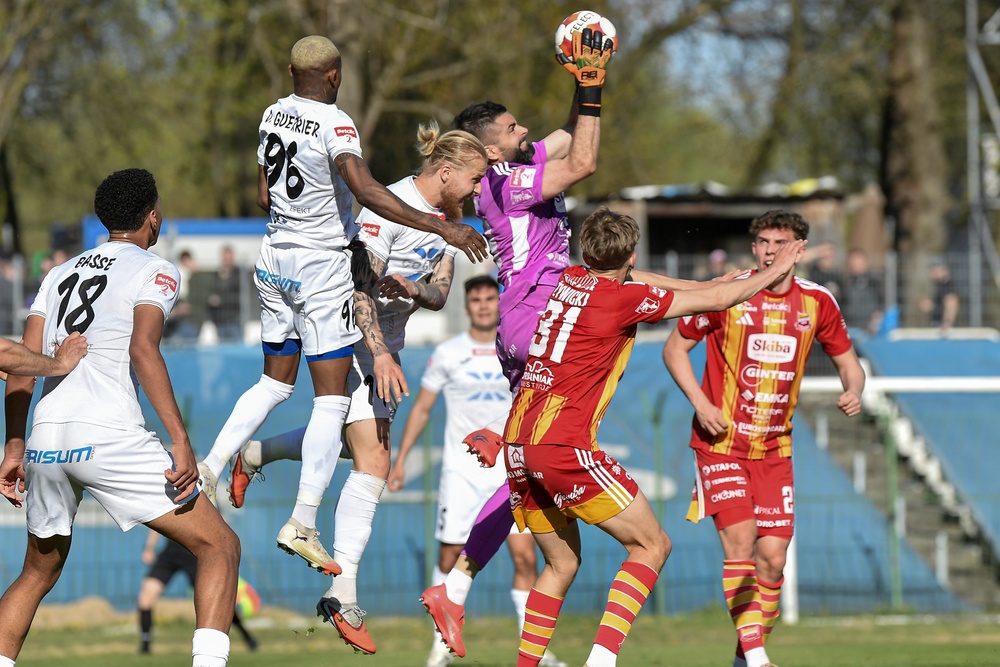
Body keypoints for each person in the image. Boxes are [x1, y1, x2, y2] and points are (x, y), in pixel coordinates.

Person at [421, 31, 719, 659]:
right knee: (547, 448)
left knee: (526, 458)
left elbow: (568, 139)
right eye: (509, 126)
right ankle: (456, 585)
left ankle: (456, 587)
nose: (522, 128)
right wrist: (592, 83)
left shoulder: (514, 168)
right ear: (486, 147)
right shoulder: (505, 182)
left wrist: (580, 82)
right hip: (539, 320)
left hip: (528, 323)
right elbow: (583, 162)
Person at [195, 34, 486, 576]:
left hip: (272, 255)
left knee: (275, 383)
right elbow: (367, 187)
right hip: (319, 265)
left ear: (290, 71)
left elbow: (264, 195)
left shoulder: (271, 115)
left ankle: (210, 468)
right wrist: (439, 225)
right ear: (335, 76)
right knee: (330, 401)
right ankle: (303, 520)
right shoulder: (337, 123)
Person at [215, 121, 489, 654]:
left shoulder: (451, 221)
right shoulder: (390, 209)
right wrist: (380, 352)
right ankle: (343, 592)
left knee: (352, 446)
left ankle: (255, 453)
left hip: (385, 348)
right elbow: (359, 287)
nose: (478, 191)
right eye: (475, 179)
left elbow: (438, 292)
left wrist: (416, 288)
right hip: (354, 341)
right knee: (375, 461)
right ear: (447, 171)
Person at [503, 207, 804, 667]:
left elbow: (635, 275)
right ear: (631, 255)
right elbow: (723, 300)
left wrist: (698, 286)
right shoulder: (623, 299)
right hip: (563, 445)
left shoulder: (569, 278)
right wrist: (776, 271)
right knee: (652, 545)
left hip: (518, 445)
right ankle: (601, 661)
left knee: (561, 565)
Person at [0, 168, 241, 667]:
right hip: (107, 434)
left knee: (36, 573)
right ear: (153, 216)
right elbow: (143, 349)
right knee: (220, 546)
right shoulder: (156, 268)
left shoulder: (58, 274)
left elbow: (22, 362)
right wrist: (180, 439)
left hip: (46, 438)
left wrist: (15, 444)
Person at [662, 209, 866, 667]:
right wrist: (700, 402)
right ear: (754, 248)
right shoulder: (728, 293)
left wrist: (853, 390)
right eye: (763, 243)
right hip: (720, 446)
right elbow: (674, 349)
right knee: (741, 542)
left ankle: (744, 656)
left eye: (781, 243)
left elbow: (849, 362)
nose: (770, 251)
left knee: (772, 559)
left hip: (776, 450)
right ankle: (757, 659)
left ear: (800, 250)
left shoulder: (818, 302)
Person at [387, 275, 545, 667]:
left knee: (525, 557)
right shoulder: (448, 353)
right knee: (450, 556)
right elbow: (422, 408)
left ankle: (535, 652)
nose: (484, 305)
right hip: (461, 472)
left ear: (498, 301)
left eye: (491, 298)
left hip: (508, 470)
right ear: (467, 304)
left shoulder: (516, 347)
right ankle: (441, 647)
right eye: (476, 299)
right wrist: (402, 458)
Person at [138, 531, 258, 654]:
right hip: (171, 553)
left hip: (193, 552)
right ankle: (145, 645)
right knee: (146, 595)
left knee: (216, 599)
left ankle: (246, 635)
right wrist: (149, 548)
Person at [840, 248, 883, 335]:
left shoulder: (874, 280)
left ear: (865, 261)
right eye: (853, 260)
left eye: (858, 259)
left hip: (870, 329)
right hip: (851, 328)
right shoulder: (846, 282)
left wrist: (875, 322)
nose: (855, 263)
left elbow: (881, 303)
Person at [206, 246, 243, 342]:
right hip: (220, 320)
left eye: (229, 258)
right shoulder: (216, 275)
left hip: (234, 319)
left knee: (236, 348)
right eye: (225, 258)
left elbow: (239, 295)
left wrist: (221, 299)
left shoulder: (239, 274)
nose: (227, 261)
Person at [919, 257, 959, 333]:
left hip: (944, 329)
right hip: (936, 326)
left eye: (936, 271)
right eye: (932, 270)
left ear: (945, 271)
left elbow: (952, 305)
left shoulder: (949, 286)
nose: (933, 273)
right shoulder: (937, 285)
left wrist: (946, 325)